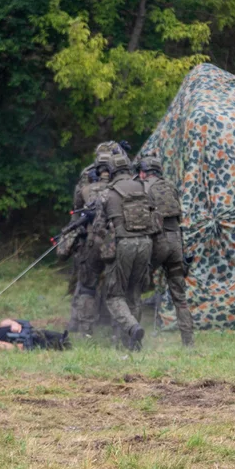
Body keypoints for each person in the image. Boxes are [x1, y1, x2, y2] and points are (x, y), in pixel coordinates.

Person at [98, 149, 158, 350]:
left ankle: (132, 328)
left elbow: (98, 227)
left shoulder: (108, 193)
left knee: (115, 295)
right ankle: (132, 344)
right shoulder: (143, 187)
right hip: (146, 243)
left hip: (124, 244)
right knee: (134, 292)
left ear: (112, 170)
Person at [62, 142, 120, 335]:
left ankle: (83, 327)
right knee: (113, 283)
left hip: (90, 238)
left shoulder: (87, 184)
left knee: (86, 284)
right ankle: (114, 327)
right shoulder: (120, 182)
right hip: (113, 238)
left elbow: (77, 207)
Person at [139, 155, 194, 346]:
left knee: (136, 286)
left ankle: (133, 338)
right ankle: (188, 342)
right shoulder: (170, 186)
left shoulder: (144, 187)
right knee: (180, 297)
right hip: (176, 242)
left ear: (143, 172)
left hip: (158, 242)